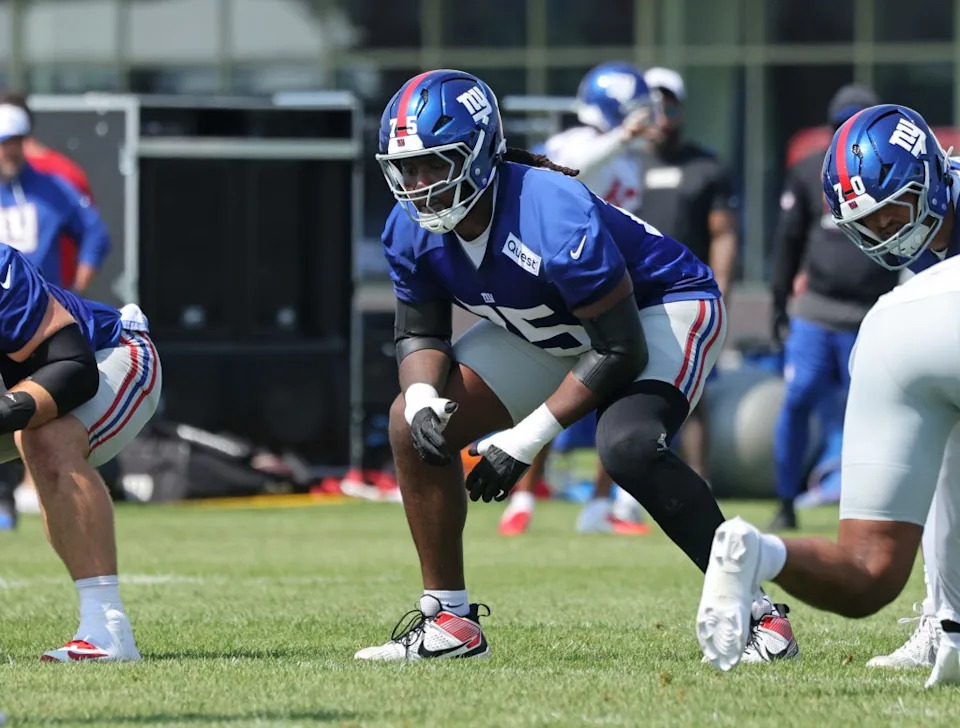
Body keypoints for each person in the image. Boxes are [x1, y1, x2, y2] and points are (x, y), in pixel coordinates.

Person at [355, 68, 797, 662]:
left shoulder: (550, 210)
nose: (420, 183)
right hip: (548, 326)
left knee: (628, 447)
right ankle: (449, 622)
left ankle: (761, 616)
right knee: (409, 424)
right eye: (407, 167)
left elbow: (619, 350)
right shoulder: (408, 229)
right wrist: (420, 399)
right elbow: (420, 333)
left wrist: (526, 438)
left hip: (656, 309)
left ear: (481, 155)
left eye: (437, 163)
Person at [695, 105, 960, 687]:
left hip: (895, 328)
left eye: (894, 213)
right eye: (871, 225)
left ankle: (945, 623)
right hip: (904, 329)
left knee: (875, 561)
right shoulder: (930, 211)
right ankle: (947, 623)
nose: (889, 234)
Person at [499, 61, 653, 536]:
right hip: (568, 278)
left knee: (606, 390)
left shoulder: (627, 160)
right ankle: (527, 494)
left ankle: (598, 504)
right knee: (569, 387)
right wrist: (623, 136)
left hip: (600, 279)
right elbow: (570, 173)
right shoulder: (578, 143)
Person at [768, 85, 899, 531]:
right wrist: (777, 304)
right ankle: (785, 499)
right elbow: (786, 242)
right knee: (798, 396)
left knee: (873, 409)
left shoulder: (891, 168)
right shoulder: (809, 172)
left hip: (871, 313)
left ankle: (873, 508)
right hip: (816, 311)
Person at [636, 67, 738, 482]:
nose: (660, 115)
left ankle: (698, 480)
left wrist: (722, 288)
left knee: (691, 394)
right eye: (652, 105)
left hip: (684, 294)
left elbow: (724, 233)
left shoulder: (705, 167)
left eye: (668, 105)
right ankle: (618, 493)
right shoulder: (625, 164)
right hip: (625, 293)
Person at [0, 98, 110, 291]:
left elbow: (95, 232)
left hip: (42, 312)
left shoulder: (53, 187)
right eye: (4, 143)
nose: (10, 151)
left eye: (15, 142)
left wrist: (75, 296)